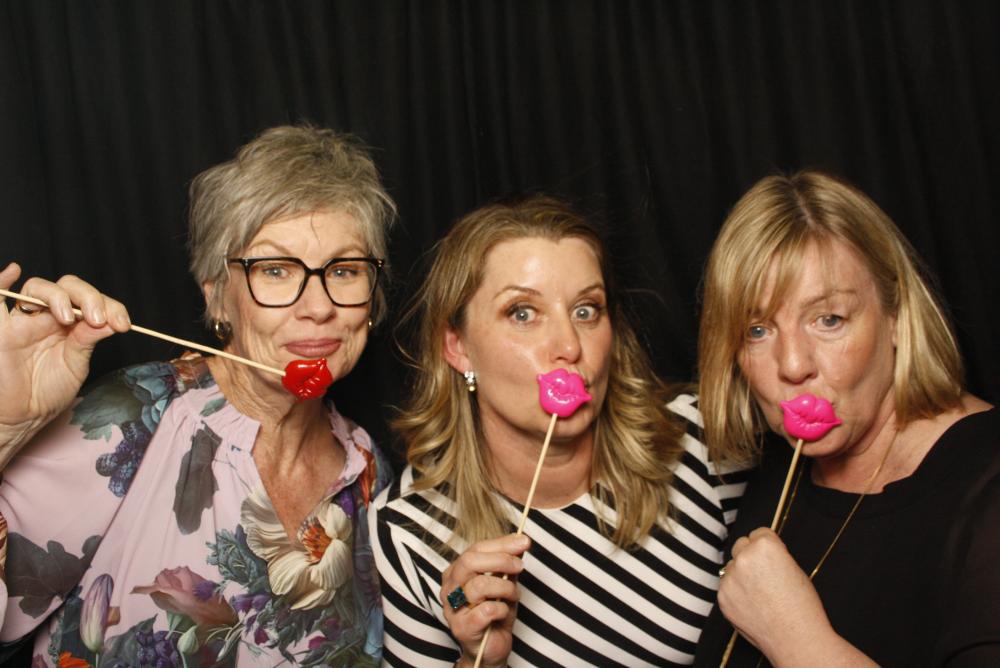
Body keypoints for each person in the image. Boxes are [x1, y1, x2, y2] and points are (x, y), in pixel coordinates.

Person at [0, 125, 396, 666]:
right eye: (276, 270)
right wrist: (3, 427)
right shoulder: (130, 418)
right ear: (217, 297)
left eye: (345, 270)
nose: (319, 307)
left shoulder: (367, 468)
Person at [371, 195, 747, 667]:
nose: (569, 345)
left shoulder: (703, 443)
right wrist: (479, 659)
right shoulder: (408, 530)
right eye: (522, 313)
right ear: (458, 346)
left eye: (586, 310)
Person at [694, 170, 1000, 666]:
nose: (794, 365)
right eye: (757, 330)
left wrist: (796, 638)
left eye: (829, 319)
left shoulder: (986, 487)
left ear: (895, 315)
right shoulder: (779, 470)